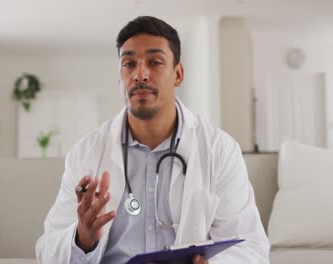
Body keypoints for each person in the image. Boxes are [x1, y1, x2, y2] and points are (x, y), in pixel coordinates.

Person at [36, 16, 270, 264]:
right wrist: (82, 239)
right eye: (128, 64)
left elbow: (250, 248)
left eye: (155, 62)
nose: (140, 74)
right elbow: (47, 251)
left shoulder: (219, 150)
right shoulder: (86, 153)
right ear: (119, 77)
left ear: (178, 74)